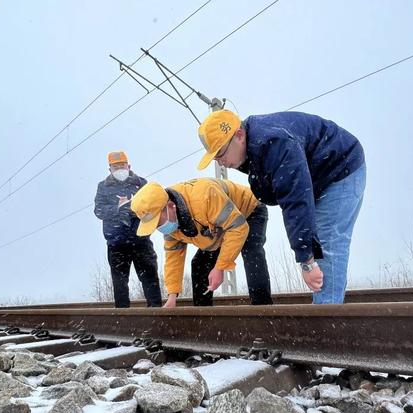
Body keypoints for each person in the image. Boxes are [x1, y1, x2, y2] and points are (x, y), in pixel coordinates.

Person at [197, 110, 366, 304]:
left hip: (340, 168)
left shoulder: (273, 143)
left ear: (239, 135)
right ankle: (328, 307)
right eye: (215, 158)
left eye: (220, 153)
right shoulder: (255, 149)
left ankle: (327, 320)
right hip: (321, 177)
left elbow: (295, 199)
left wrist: (307, 262)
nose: (221, 162)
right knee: (323, 243)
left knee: (327, 244)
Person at [130, 178, 272, 307]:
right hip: (218, 226)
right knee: (199, 264)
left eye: (158, 222)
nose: (159, 228)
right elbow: (173, 259)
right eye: (154, 225)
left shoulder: (205, 197)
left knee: (251, 252)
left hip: (248, 211)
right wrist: (172, 296)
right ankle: (203, 315)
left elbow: (238, 227)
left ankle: (263, 310)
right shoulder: (170, 226)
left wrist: (220, 267)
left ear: (171, 206)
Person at [94, 151, 162, 308]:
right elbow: (99, 210)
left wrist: (134, 209)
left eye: (122, 165)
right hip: (116, 243)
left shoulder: (141, 183)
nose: (119, 169)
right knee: (119, 284)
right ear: (109, 169)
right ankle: (123, 318)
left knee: (150, 279)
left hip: (141, 239)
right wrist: (118, 209)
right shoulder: (103, 187)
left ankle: (156, 313)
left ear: (129, 165)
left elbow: (153, 205)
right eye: (115, 167)